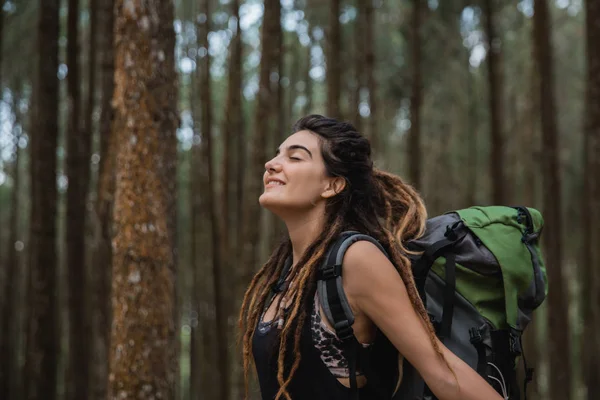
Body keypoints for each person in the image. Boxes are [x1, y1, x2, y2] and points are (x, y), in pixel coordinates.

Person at [238, 115, 503, 400]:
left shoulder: (355, 259)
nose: (271, 163)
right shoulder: (290, 274)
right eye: (277, 154)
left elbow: (442, 373)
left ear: (332, 186)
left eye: (295, 158)